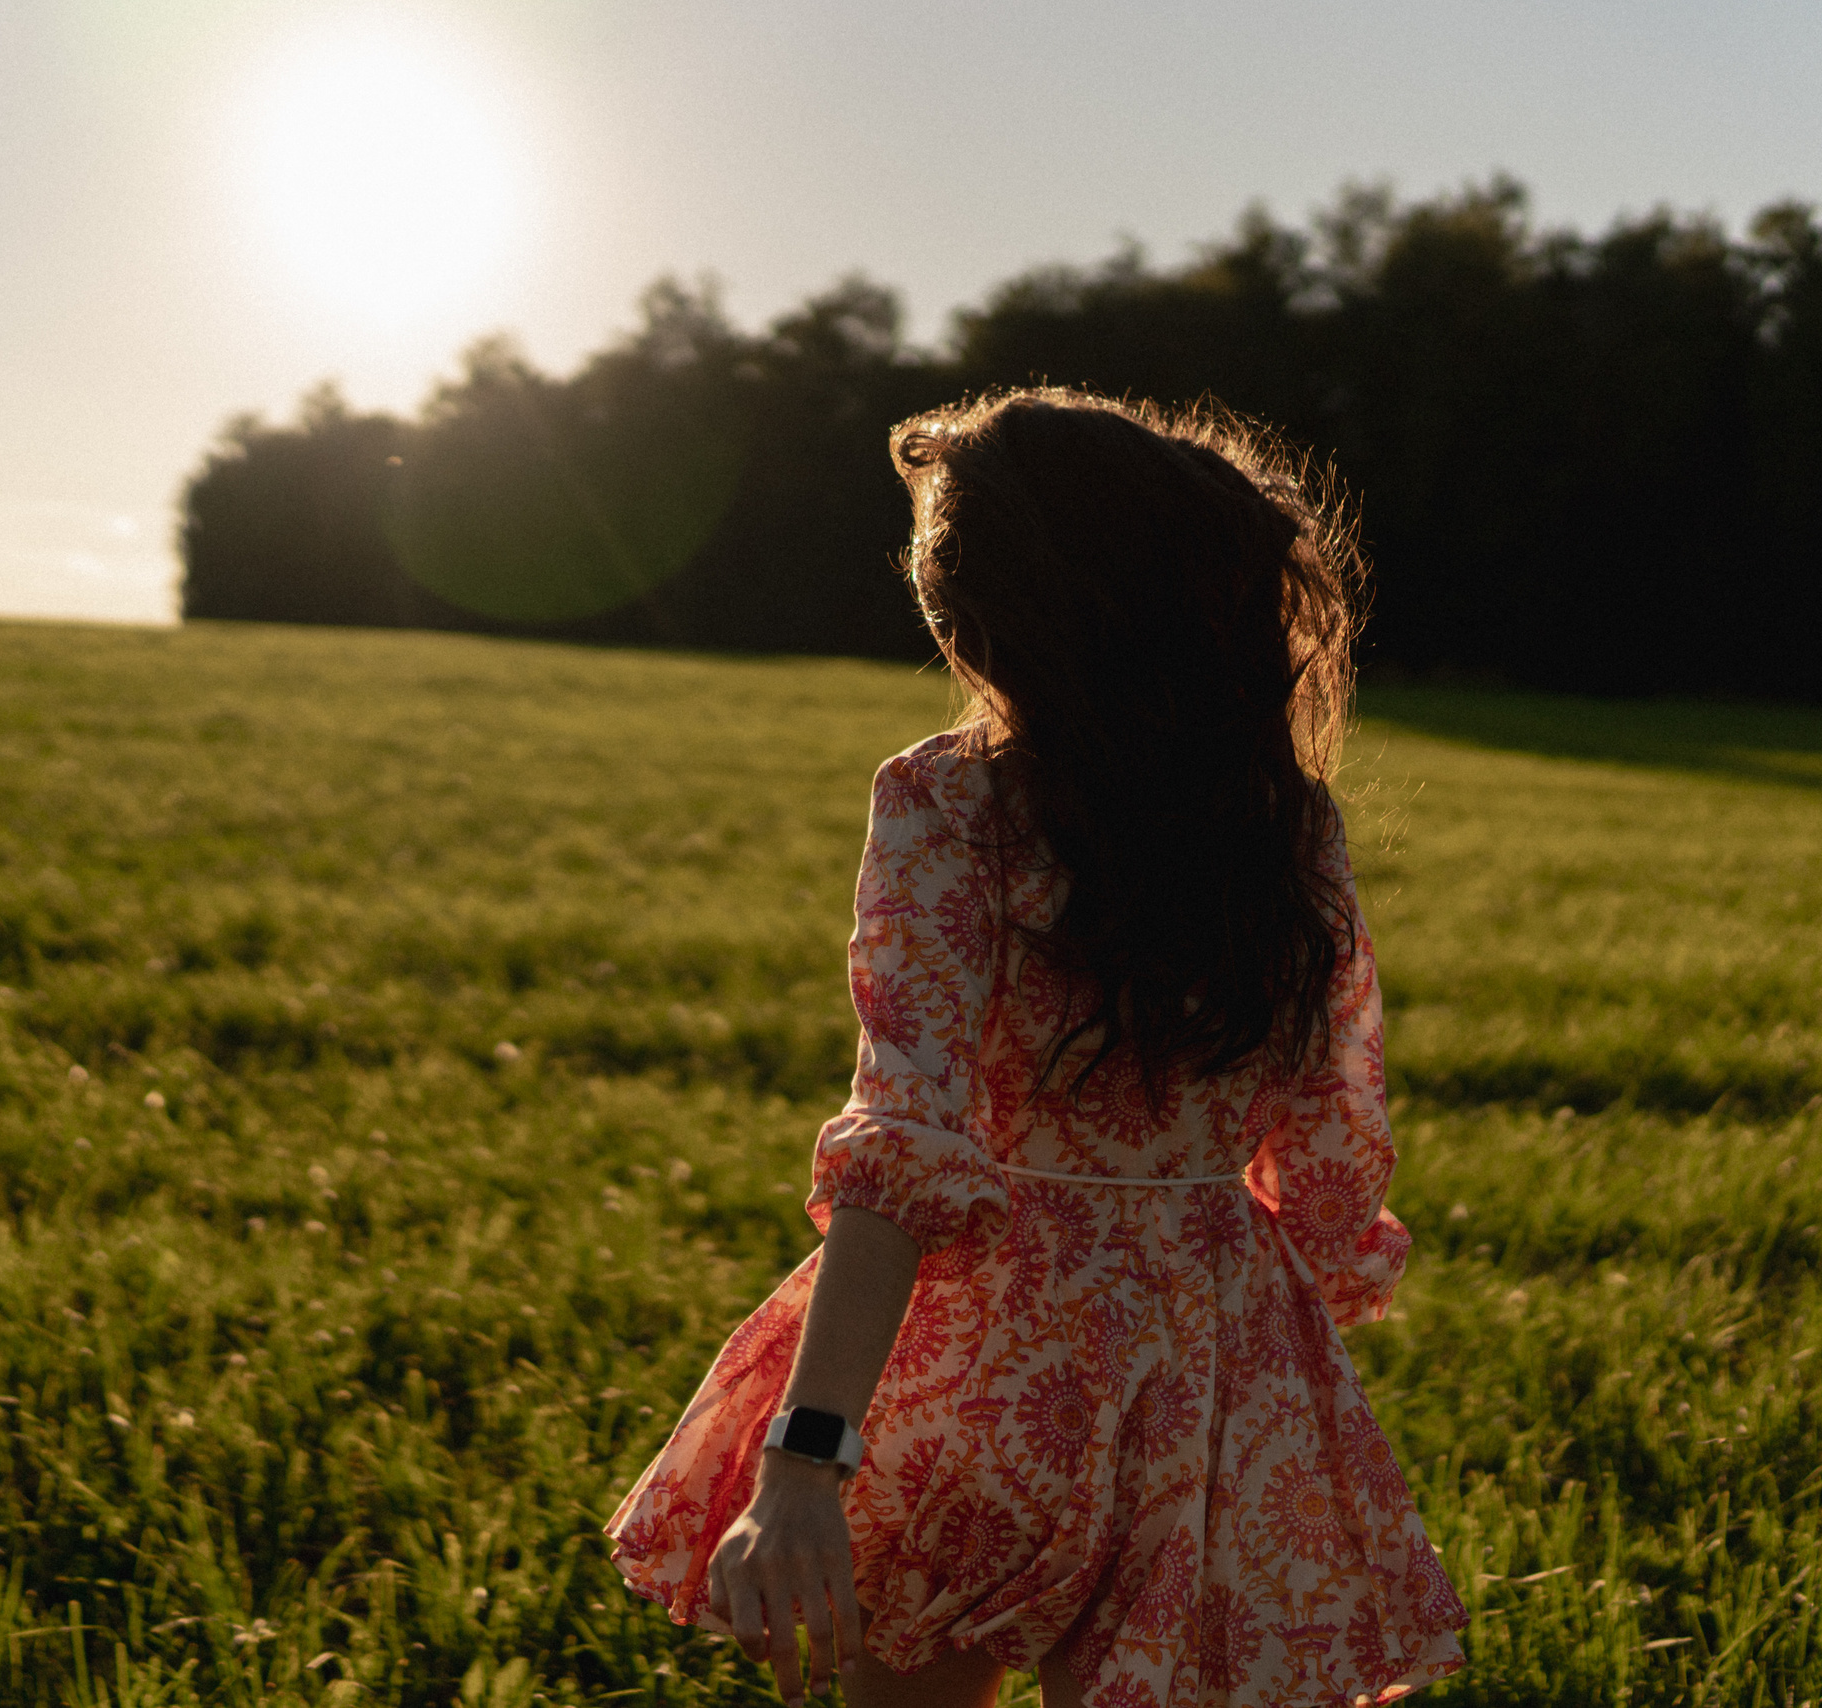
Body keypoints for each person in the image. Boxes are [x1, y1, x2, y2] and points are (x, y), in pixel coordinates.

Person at [606, 390, 1468, 1708]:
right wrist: (1321, 1289)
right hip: (1217, 1356)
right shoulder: (1286, 830)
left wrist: (806, 1460)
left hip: (983, 1361)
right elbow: (1336, 1141)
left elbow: (905, 1140)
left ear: (983, 620)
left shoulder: (949, 804)